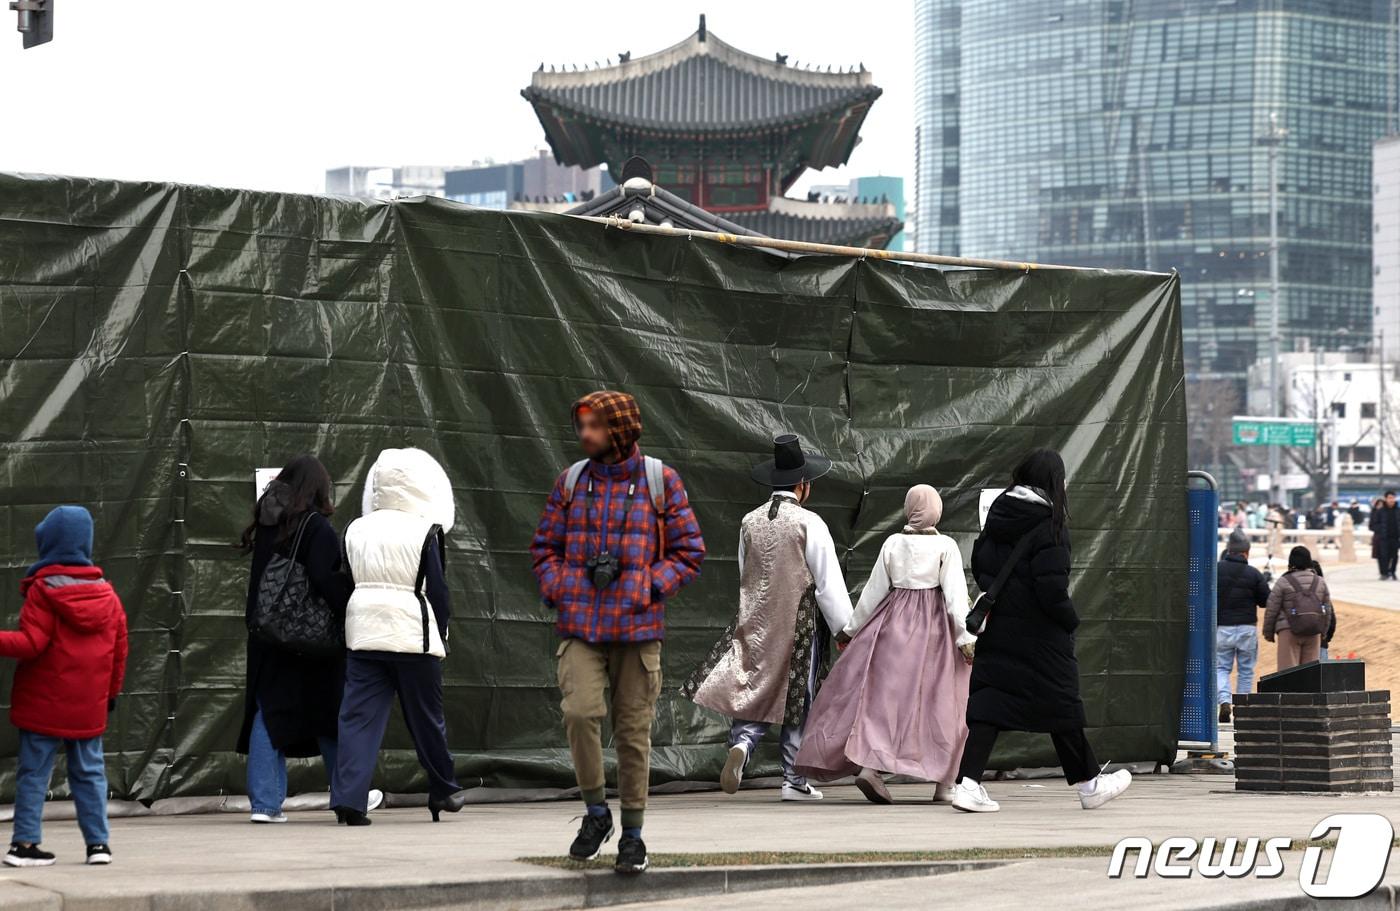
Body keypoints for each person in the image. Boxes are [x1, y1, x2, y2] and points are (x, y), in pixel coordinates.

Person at [531, 391, 705, 875]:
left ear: (620, 429)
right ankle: (594, 813)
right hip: (581, 625)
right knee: (580, 712)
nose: (584, 434)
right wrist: (562, 586)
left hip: (637, 628)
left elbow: (690, 551)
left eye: (594, 426)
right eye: (580, 425)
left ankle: (632, 835)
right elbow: (544, 546)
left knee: (633, 735)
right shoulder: (569, 483)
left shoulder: (660, 481)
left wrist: (648, 584)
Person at [949, 449, 1130, 814]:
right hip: (1042, 635)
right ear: (1052, 483)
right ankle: (1090, 785)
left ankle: (967, 784)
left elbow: (981, 565)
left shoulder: (997, 516)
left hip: (999, 629)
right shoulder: (1050, 526)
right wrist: (1069, 620)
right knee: (1062, 705)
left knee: (989, 705)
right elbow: (1051, 590)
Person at [682, 434, 854, 803]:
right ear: (803, 485)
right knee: (797, 699)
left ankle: (742, 744)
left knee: (755, 689)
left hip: (756, 622)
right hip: (799, 625)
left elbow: (746, 572)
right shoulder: (810, 523)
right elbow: (827, 583)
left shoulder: (749, 522)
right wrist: (844, 628)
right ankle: (793, 779)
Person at [794, 484, 972, 804]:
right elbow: (956, 596)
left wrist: (850, 630)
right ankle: (945, 782)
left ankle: (872, 766)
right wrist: (965, 638)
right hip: (935, 635)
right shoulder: (946, 546)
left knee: (885, 703)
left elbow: (873, 592)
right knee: (945, 702)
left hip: (893, 627)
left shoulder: (892, 543)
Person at [238, 455, 379, 824]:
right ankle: (348, 791)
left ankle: (265, 804)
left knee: (269, 712)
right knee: (332, 713)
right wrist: (353, 599)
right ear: (318, 489)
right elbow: (326, 579)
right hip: (310, 639)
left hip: (267, 633)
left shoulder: (269, 521)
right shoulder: (315, 527)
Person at [331, 448, 468, 827]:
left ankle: (348, 800)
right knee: (426, 719)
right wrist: (440, 632)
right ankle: (444, 788)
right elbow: (436, 591)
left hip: (363, 637)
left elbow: (346, 580)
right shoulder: (428, 531)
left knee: (356, 718)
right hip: (413, 638)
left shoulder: (355, 528)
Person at [0, 506, 128, 867]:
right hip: (89, 704)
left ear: (49, 543)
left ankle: (24, 845)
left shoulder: (42, 591)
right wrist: (112, 695)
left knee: (34, 774)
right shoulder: (109, 596)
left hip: (43, 702)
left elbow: (30, 644)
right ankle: (98, 846)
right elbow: (120, 653)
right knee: (89, 774)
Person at [1215, 529, 1269, 723]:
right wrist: (1266, 580)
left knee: (1221, 668)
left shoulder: (1216, 570)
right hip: (1247, 627)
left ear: (1229, 550)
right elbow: (1265, 601)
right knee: (1246, 670)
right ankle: (1243, 707)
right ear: (1246, 552)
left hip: (1221, 628)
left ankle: (1223, 700)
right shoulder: (1253, 573)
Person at [1263, 545, 1331, 670]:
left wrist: (1268, 632)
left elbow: (1272, 608)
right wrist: (1323, 632)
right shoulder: (1320, 582)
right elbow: (1327, 610)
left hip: (1288, 631)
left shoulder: (1283, 581)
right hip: (1313, 631)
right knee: (1309, 676)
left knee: (1288, 675)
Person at [1370, 490, 1399, 581]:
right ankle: (1384, 573)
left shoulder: (1398, 511)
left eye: (1393, 498)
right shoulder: (1380, 511)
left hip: (1395, 538)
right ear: (1385, 499)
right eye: (1389, 498)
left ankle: (1392, 572)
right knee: (1383, 556)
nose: (1391, 500)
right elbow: (1372, 525)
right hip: (1383, 538)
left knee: (1394, 556)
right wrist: (1381, 530)